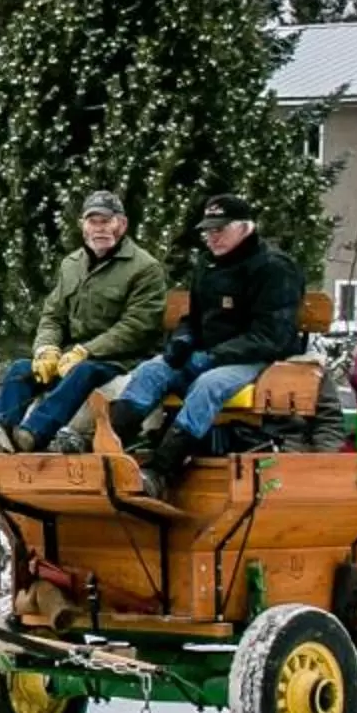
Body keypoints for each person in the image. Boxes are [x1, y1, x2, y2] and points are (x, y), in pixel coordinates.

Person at [104, 192, 308, 496]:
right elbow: (194, 317)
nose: (212, 237)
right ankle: (108, 450)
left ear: (245, 227)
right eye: (208, 231)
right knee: (151, 371)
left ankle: (161, 471)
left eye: (220, 229)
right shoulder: (208, 264)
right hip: (207, 351)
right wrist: (182, 340)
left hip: (254, 358)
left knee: (208, 385)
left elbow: (272, 335)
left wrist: (214, 355)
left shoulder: (275, 268)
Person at [0, 190, 168, 453]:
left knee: (84, 371)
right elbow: (53, 316)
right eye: (93, 221)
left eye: (107, 221)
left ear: (122, 224)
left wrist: (86, 351)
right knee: (21, 369)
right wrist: (46, 349)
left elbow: (137, 326)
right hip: (72, 357)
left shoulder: (145, 268)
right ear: (83, 226)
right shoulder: (71, 264)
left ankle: (33, 434)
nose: (99, 228)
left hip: (120, 360)